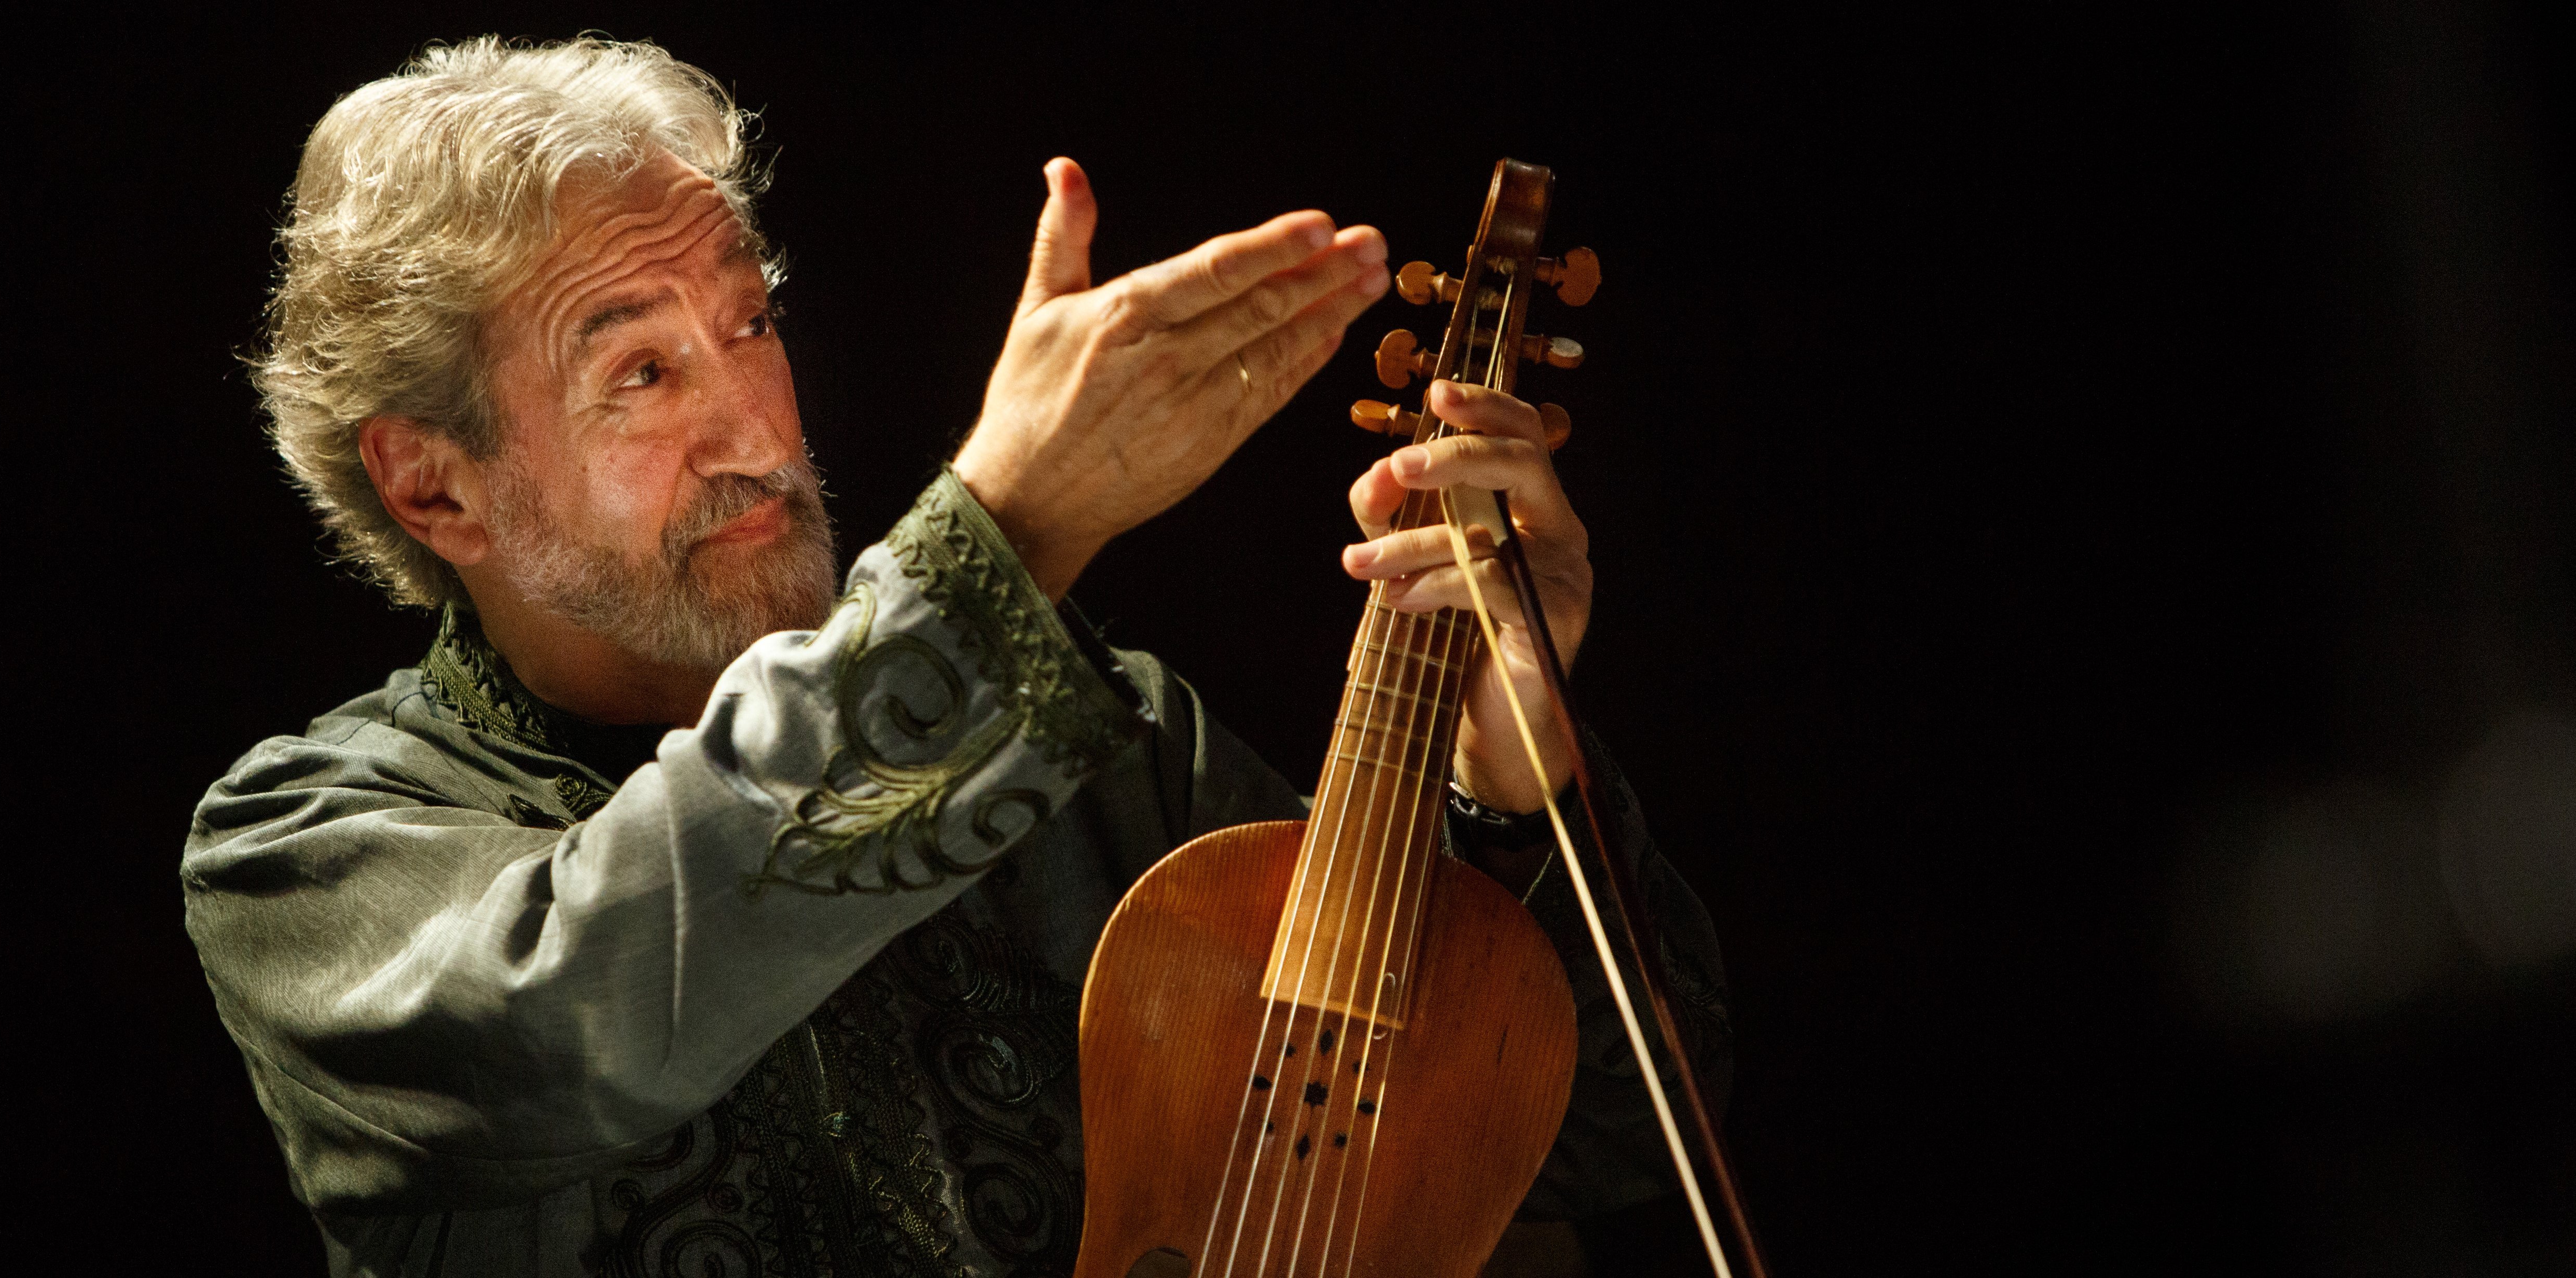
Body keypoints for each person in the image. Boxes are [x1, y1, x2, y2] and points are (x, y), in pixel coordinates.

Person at [183, 35, 1731, 1278]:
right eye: (640, 371)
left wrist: (1509, 787)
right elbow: (570, 1016)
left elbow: (1588, 1147)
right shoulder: (302, 850)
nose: (757, 432)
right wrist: (1005, 537)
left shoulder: (1103, 743)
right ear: (428, 484)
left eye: (750, 324)